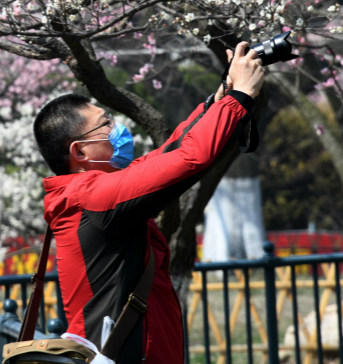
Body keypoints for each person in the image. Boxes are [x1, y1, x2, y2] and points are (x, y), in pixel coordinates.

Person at [34, 42, 265, 364]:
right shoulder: (91, 197)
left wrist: (222, 95)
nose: (118, 129)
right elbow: (189, 158)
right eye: (105, 124)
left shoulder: (92, 191)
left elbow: (171, 151)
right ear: (80, 152)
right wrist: (240, 98)